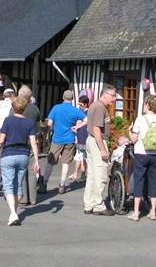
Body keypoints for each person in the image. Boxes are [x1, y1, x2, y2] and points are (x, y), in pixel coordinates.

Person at [0, 95, 40, 226]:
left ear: (13, 107)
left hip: (8, 153)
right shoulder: (29, 123)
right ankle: (13, 213)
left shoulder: (8, 121)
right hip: (23, 154)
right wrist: (36, 160)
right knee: (18, 185)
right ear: (25, 108)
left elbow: (1, 139)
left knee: (8, 184)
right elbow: (34, 142)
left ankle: (13, 213)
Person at [39, 90, 87, 195]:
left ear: (63, 97)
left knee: (51, 162)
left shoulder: (56, 108)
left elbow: (50, 123)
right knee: (65, 163)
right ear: (72, 99)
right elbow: (87, 119)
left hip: (57, 138)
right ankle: (62, 185)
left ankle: (44, 184)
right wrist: (78, 126)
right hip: (69, 139)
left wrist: (52, 129)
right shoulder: (75, 110)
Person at [127, 94, 156, 221]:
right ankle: (153, 212)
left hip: (141, 153)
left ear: (148, 105)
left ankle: (136, 213)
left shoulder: (140, 119)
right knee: (153, 181)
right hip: (155, 154)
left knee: (139, 181)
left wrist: (129, 131)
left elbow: (134, 139)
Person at [83, 84, 117, 216]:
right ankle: (98, 205)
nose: (114, 99)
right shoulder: (100, 107)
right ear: (105, 95)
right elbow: (97, 129)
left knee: (91, 175)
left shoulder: (95, 106)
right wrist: (102, 149)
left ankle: (89, 203)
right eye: (112, 95)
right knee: (100, 173)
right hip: (98, 141)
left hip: (91, 140)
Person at [18, 85, 41, 205]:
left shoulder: (14, 109)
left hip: (18, 141)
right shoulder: (35, 109)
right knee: (32, 170)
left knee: (21, 169)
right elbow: (37, 127)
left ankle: (24, 198)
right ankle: (33, 198)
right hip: (31, 140)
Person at [0, 89, 15, 192]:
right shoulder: (13, 104)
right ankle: (8, 182)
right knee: (9, 156)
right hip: (9, 131)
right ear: (11, 95)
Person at [69, 95, 90, 183]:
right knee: (79, 156)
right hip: (80, 136)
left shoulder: (85, 114)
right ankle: (75, 174)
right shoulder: (84, 113)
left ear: (85, 104)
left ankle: (83, 175)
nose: (79, 106)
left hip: (83, 137)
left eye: (81, 105)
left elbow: (79, 123)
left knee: (82, 157)